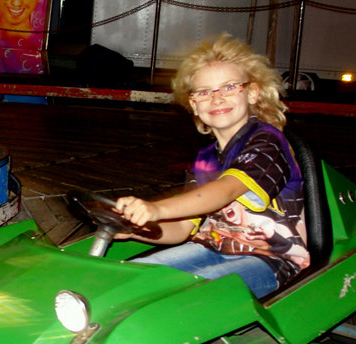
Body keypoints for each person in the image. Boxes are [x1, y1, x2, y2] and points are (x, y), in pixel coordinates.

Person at [115, 33, 309, 298]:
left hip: (272, 258)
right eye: (205, 92)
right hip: (212, 248)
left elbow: (226, 190)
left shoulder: (267, 141)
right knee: (128, 279)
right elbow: (182, 228)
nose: (216, 99)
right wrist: (135, 228)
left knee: (188, 294)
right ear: (194, 104)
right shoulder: (206, 157)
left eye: (229, 87)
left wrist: (155, 208)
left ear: (252, 93)